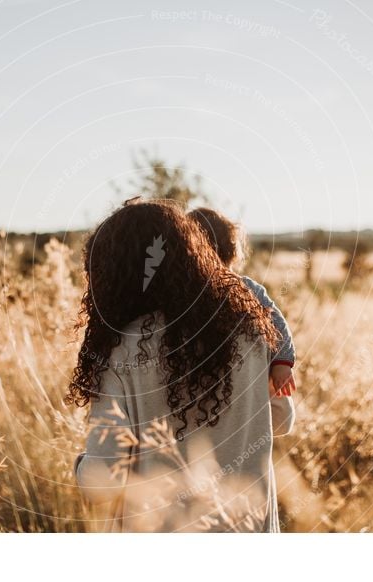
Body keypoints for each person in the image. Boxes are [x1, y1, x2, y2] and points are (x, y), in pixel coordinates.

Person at [68, 199, 295, 532]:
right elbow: (282, 420)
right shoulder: (249, 328)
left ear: (113, 275)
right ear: (190, 255)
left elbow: (101, 485)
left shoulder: (118, 351)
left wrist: (80, 467)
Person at [187, 207, 296, 398]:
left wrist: (282, 362)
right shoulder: (183, 288)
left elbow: (277, 322)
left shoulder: (246, 288)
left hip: (243, 374)